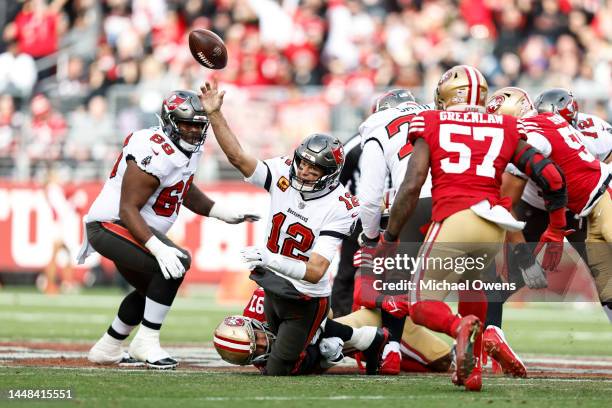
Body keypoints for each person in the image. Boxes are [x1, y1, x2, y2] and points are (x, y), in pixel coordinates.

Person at [382, 65, 569, 391]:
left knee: (420, 303)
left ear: (445, 95)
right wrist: (555, 228)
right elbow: (551, 176)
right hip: (493, 227)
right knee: (471, 290)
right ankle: (471, 371)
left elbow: (412, 186)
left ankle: (458, 326)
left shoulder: (431, 120)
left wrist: (390, 235)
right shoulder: (504, 125)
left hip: (456, 218)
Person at [199, 81, 388, 375]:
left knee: (276, 369)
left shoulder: (339, 205)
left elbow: (315, 271)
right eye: (303, 164)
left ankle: (333, 349)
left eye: (315, 169)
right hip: (271, 286)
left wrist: (269, 258)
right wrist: (214, 114)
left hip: (304, 297)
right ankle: (354, 336)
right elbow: (238, 157)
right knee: (246, 346)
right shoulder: (281, 172)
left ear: (331, 174)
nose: (305, 172)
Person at [78, 90, 258, 369]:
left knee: (151, 291)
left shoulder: (187, 149)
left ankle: (108, 347)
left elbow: (182, 189)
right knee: (177, 261)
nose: (193, 131)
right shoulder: (152, 148)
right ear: (170, 122)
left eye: (198, 125)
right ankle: (145, 342)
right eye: (186, 124)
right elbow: (127, 208)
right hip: (111, 225)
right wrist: (159, 248)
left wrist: (222, 213)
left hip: (132, 227)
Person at [485, 87, 612, 327]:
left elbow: (546, 183)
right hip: (541, 203)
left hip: (587, 205)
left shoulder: (587, 131)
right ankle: (483, 333)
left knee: (606, 279)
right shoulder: (547, 122)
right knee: (510, 277)